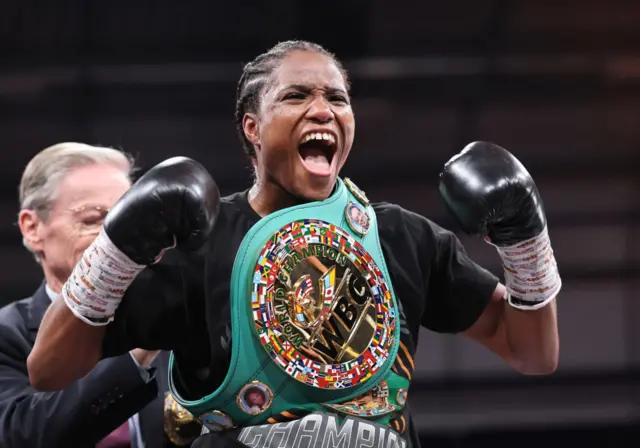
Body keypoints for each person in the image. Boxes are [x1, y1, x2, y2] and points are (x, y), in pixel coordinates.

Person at [27, 41, 561, 448]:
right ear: (252, 127)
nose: (323, 110)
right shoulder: (204, 242)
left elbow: (532, 351)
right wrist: (116, 251)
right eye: (297, 95)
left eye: (337, 98)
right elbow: (47, 369)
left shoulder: (401, 236)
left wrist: (525, 242)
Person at [0, 142, 199, 447]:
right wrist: (141, 350)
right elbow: (23, 435)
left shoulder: (181, 328)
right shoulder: (6, 334)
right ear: (32, 228)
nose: (116, 237)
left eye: (129, 218)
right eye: (93, 219)